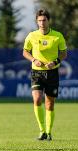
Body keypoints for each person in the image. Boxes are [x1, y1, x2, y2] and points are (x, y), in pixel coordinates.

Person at [23, 9, 67, 141]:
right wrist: (34, 60)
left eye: (44, 20)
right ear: (37, 22)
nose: (42, 23)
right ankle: (42, 131)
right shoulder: (31, 36)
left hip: (52, 73)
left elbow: (64, 53)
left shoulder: (57, 36)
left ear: (48, 21)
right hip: (37, 72)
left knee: (50, 103)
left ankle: (48, 132)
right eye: (39, 20)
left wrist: (55, 62)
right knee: (37, 99)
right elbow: (25, 52)